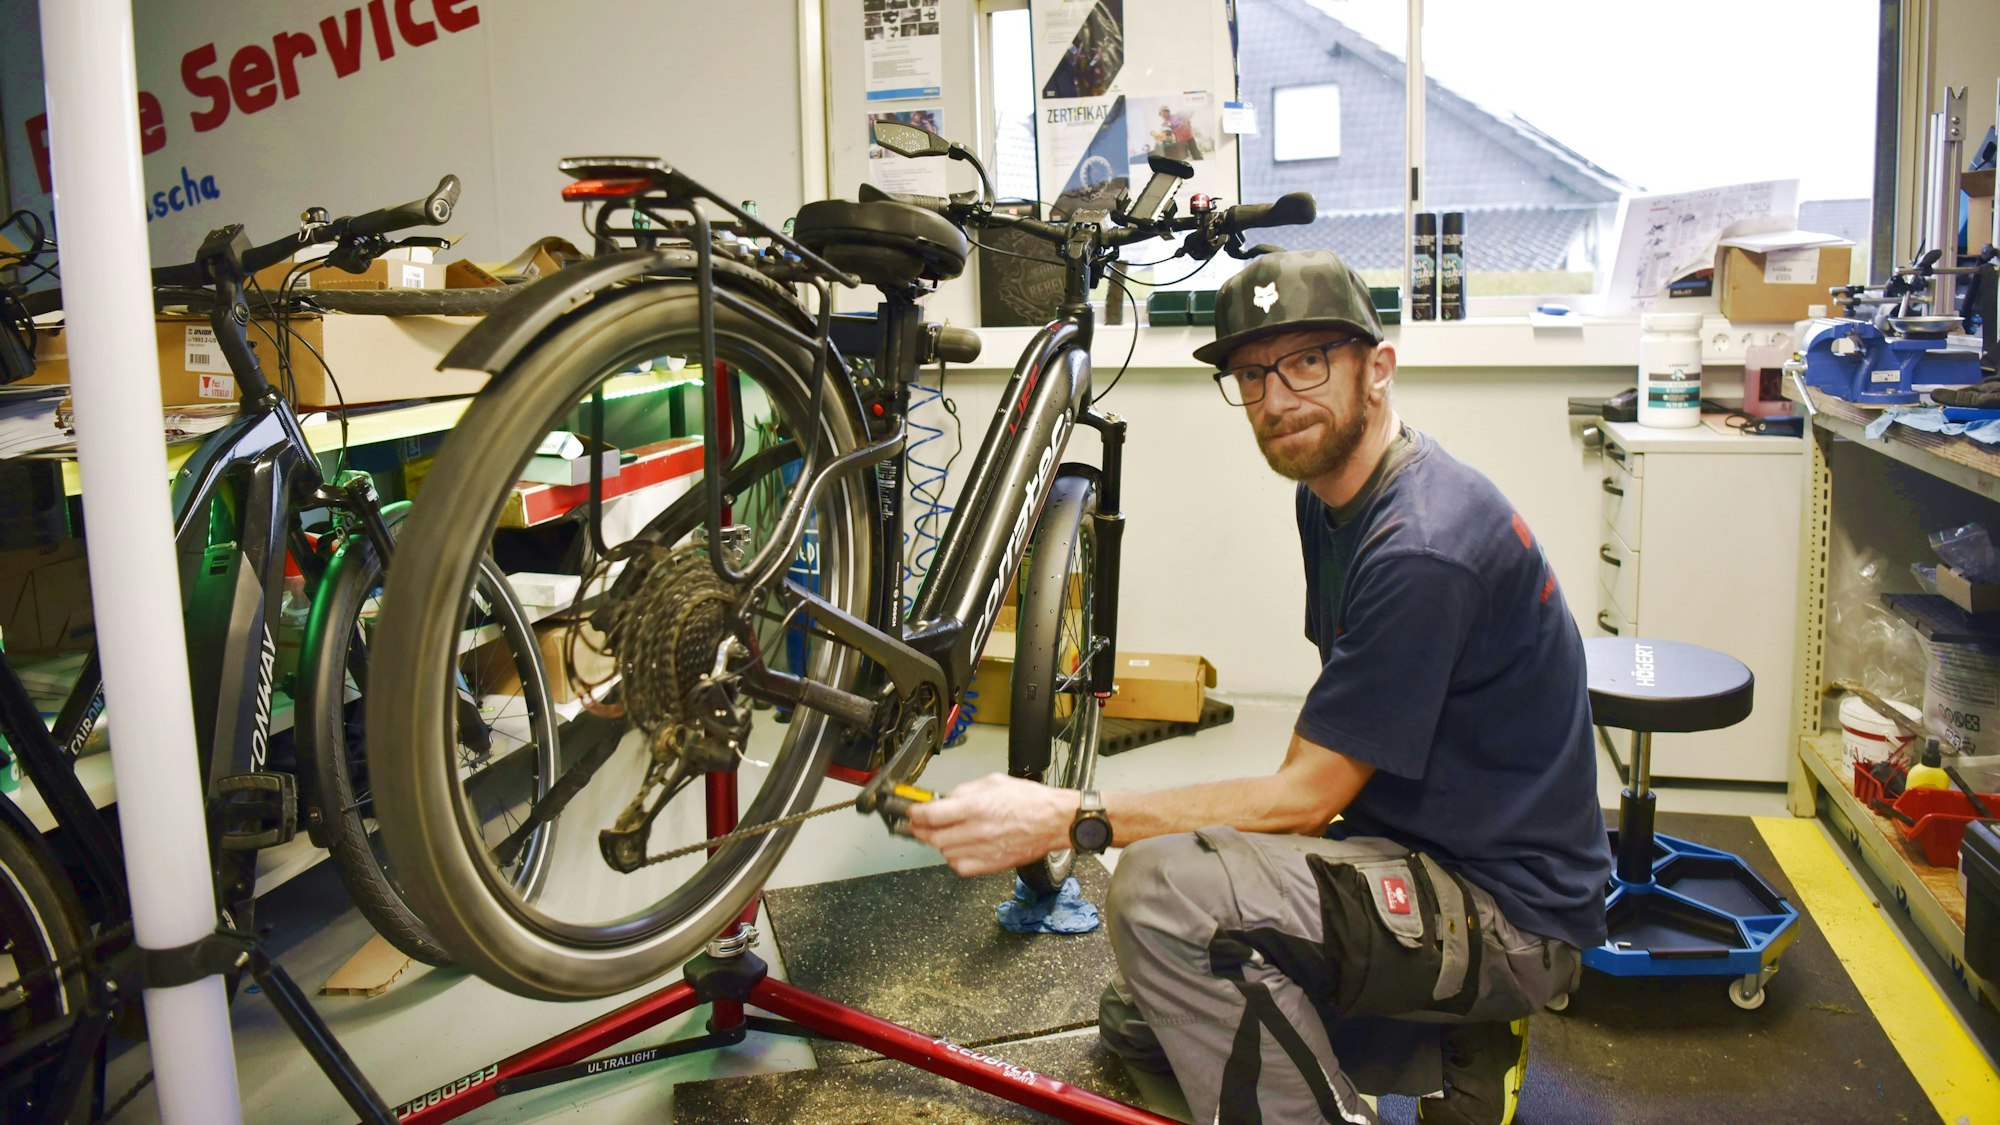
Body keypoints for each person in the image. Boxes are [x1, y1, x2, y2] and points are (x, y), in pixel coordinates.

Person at [907, 248, 1612, 1125]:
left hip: (1508, 915)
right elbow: (1311, 774)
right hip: (1412, 852)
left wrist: (1068, 816)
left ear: (1378, 370)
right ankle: (1443, 1042)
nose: (1277, 399)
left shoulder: (1424, 547)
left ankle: (1447, 1033)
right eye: (1251, 372)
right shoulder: (1329, 496)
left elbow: (1304, 798)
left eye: (1308, 361)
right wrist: (1261, 852)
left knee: (1163, 897)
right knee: (1144, 1018)